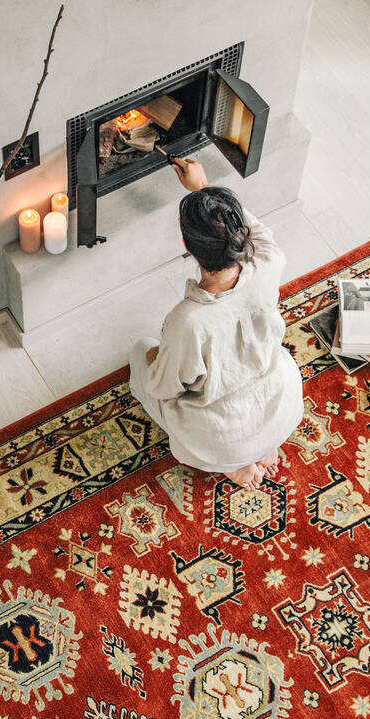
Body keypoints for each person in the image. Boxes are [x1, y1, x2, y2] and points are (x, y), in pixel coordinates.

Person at [129, 157, 304, 491]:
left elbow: (165, 387)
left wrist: (157, 359)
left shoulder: (188, 320)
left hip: (223, 438)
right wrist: (203, 188)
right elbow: (258, 233)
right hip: (281, 409)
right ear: (238, 234)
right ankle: (262, 444)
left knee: (140, 354)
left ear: (187, 248)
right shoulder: (270, 262)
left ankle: (232, 462)